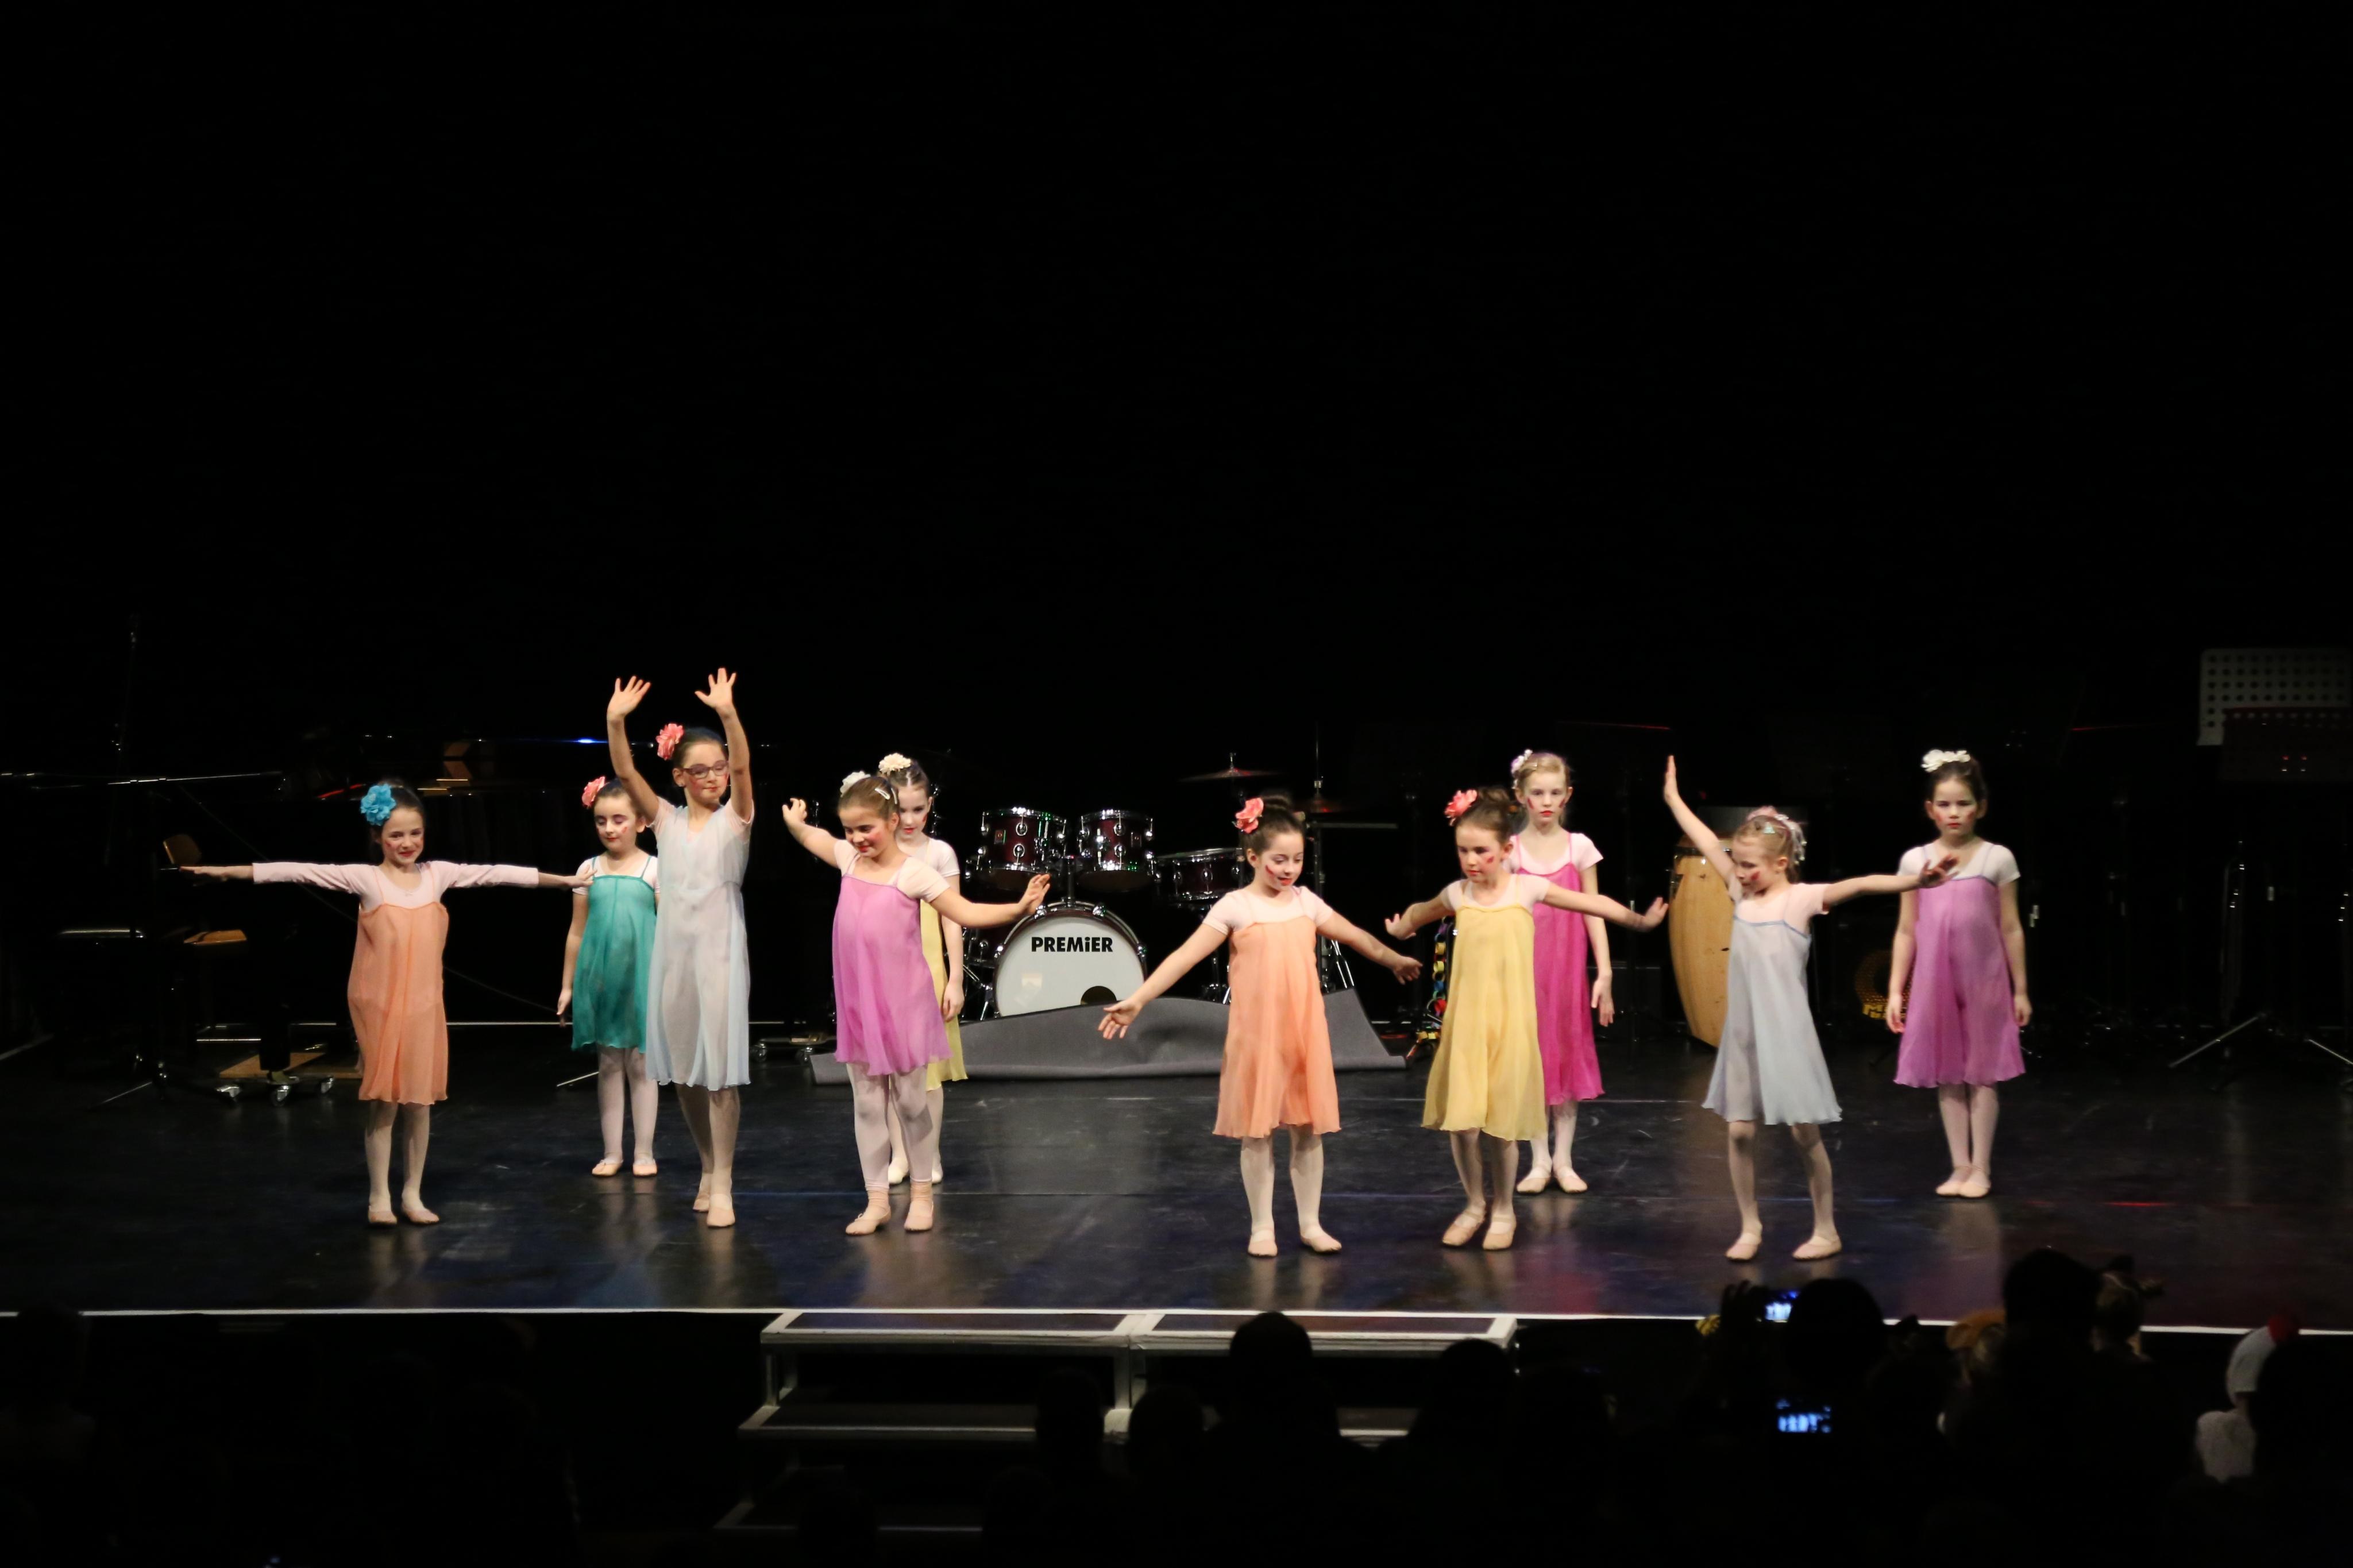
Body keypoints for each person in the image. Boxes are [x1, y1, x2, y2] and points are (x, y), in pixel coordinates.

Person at [182, 782, 581, 1223]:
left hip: (424, 1006)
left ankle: (412, 1194)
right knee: (386, 1101)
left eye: (415, 833)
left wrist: (562, 881)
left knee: (419, 1102)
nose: (407, 843)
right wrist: (228, 872)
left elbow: (494, 873)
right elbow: (297, 871)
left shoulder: (437, 875)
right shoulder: (367, 879)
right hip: (380, 1006)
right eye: (396, 835)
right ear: (377, 837)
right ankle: (378, 1197)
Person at [1100, 794, 1421, 1254]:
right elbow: (1184, 957)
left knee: (1308, 1129)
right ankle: (1262, 1227)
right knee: (1258, 1131)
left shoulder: (1306, 903)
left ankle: (1310, 1224)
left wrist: (1393, 960)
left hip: (1303, 1034)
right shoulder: (1235, 907)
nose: (1290, 869)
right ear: (1252, 858)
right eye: (1279, 860)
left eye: (1298, 860)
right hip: (1257, 1036)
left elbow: (1356, 937)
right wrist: (1139, 1000)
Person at [1662, 756, 1951, 1260]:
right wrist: (1673, 798)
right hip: (1746, 1035)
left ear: (1781, 864)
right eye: (1738, 863)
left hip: (1787, 1035)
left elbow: (1861, 884)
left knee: (1804, 1134)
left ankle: (1826, 1229)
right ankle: (1749, 1226)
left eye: (1750, 866)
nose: (1740, 872)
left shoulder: (1799, 899)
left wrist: (1916, 883)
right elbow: (1708, 842)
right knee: (1739, 1132)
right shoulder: (1739, 891)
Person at [1386, 787, 1664, 1250]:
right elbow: (1422, 911)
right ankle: (1474, 1204)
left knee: (1502, 1127)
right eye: (1463, 851)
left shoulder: (1526, 889)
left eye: (1482, 851)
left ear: (1505, 850)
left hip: (1511, 1027)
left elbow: (1593, 904)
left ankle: (1503, 1209)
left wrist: (1640, 923)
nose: (1472, 861)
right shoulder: (1458, 894)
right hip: (1468, 1027)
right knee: (1463, 1124)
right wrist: (1402, 928)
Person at [782, 777, 1047, 1235]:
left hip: (903, 1003)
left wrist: (1017, 909)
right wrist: (795, 824)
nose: (857, 839)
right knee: (868, 1105)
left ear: (891, 822)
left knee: (909, 1102)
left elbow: (965, 912)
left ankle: (922, 1194)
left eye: (866, 828)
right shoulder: (849, 860)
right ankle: (876, 1202)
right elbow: (815, 838)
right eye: (850, 830)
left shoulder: (913, 873)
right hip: (860, 1005)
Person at [603, 670, 757, 1227]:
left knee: (720, 1074)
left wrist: (728, 714)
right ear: (680, 776)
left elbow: (744, 770)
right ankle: (707, 1166)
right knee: (687, 1073)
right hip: (674, 956)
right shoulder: (664, 821)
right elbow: (625, 773)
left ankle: (725, 1181)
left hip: (720, 954)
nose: (714, 776)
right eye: (702, 770)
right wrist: (615, 722)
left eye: (719, 768)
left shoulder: (735, 820)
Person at [1888, 749, 2028, 1197]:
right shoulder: (1916, 861)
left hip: (1984, 981)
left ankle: (1981, 1166)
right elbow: (1907, 930)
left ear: (1980, 807)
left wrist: (2021, 989)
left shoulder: (1996, 858)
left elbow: (2011, 927)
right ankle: (1960, 1165)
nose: (1954, 813)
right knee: (1948, 1073)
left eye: (1963, 803)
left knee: (1982, 1073)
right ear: (1930, 809)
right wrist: (1896, 989)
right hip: (1936, 984)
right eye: (1944, 804)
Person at [1505, 749, 1613, 1193]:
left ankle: (1564, 1160)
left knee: (1566, 1057)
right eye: (1537, 793)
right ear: (1521, 796)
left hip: (1567, 974)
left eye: (1554, 793)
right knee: (1534, 1061)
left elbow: (1594, 911)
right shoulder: (1511, 851)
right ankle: (1539, 1160)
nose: (1546, 802)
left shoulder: (1579, 847)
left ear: (1567, 795)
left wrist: (1605, 971)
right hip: (1526, 972)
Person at [557, 777, 659, 1177]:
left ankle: (644, 1152)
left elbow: (667, 929)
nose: (610, 828)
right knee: (610, 1064)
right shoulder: (589, 870)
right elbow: (576, 931)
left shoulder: (654, 869)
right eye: (602, 821)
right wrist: (567, 985)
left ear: (640, 822)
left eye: (619, 820)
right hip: (600, 981)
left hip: (641, 980)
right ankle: (612, 1151)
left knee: (641, 1064)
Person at [879, 751, 963, 1186]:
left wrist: (956, 979)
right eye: (902, 810)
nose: (910, 820)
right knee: (892, 1072)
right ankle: (900, 1155)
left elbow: (953, 918)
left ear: (930, 805)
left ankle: (929, 1153)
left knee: (928, 1075)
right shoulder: (878, 851)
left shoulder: (939, 854)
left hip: (927, 973)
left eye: (918, 809)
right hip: (886, 974)